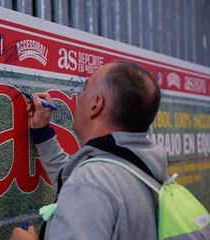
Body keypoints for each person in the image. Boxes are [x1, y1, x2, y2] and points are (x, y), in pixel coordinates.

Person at [10, 61, 167, 240]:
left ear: (96, 104)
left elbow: (87, 187)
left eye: (85, 89)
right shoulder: (145, 169)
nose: (79, 96)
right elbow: (74, 181)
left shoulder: (91, 182)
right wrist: (42, 132)